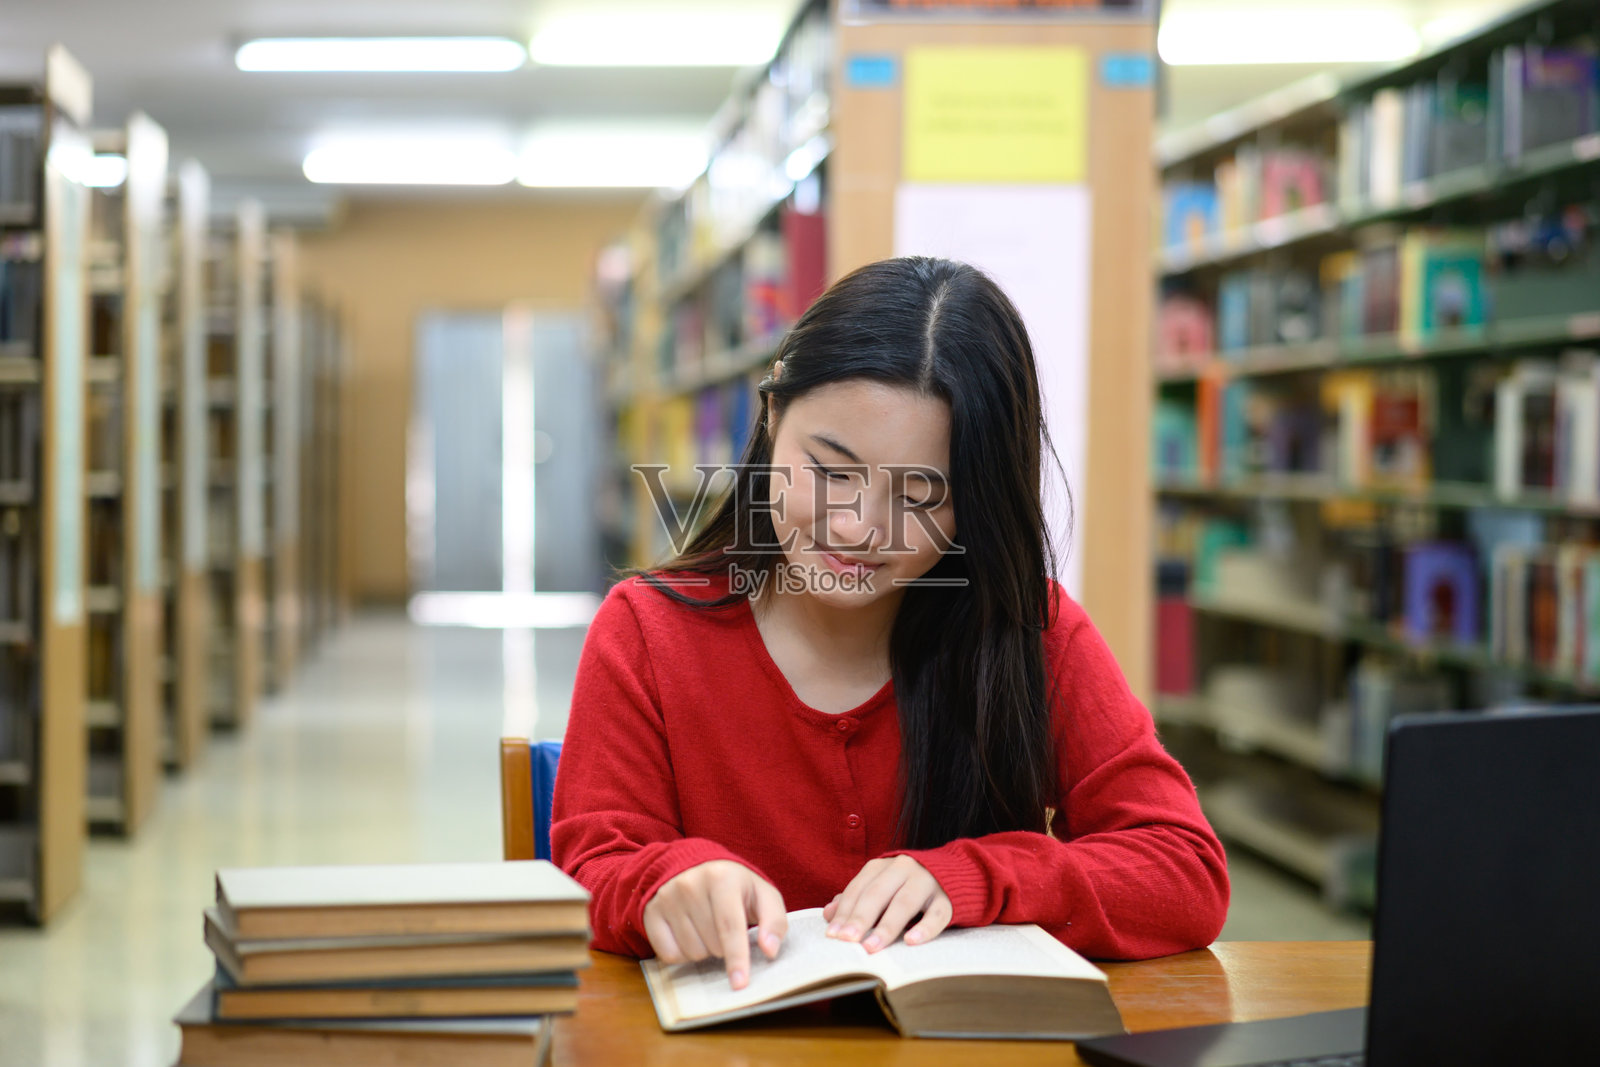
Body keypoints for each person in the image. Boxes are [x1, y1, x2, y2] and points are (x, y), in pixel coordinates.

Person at [552, 257, 1229, 991]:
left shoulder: (1028, 628)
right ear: (772, 415)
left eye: (920, 497)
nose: (858, 528)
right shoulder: (647, 632)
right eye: (830, 470)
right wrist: (666, 882)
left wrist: (977, 876)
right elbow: (593, 867)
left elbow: (1184, 869)